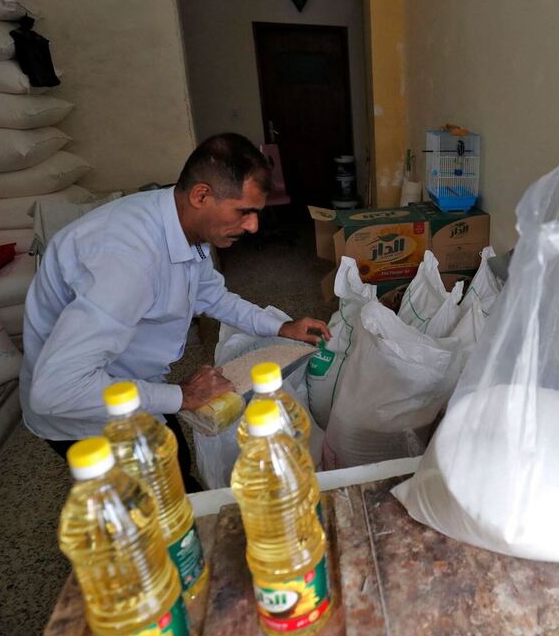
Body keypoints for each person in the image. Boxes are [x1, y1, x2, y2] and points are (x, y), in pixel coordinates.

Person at [20, 133, 330, 490]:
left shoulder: (182, 225)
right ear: (201, 195)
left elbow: (213, 296)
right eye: (243, 211)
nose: (253, 226)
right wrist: (183, 395)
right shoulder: (126, 264)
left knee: (177, 466)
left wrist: (280, 326)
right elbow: (56, 389)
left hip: (134, 379)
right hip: (86, 411)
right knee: (155, 504)